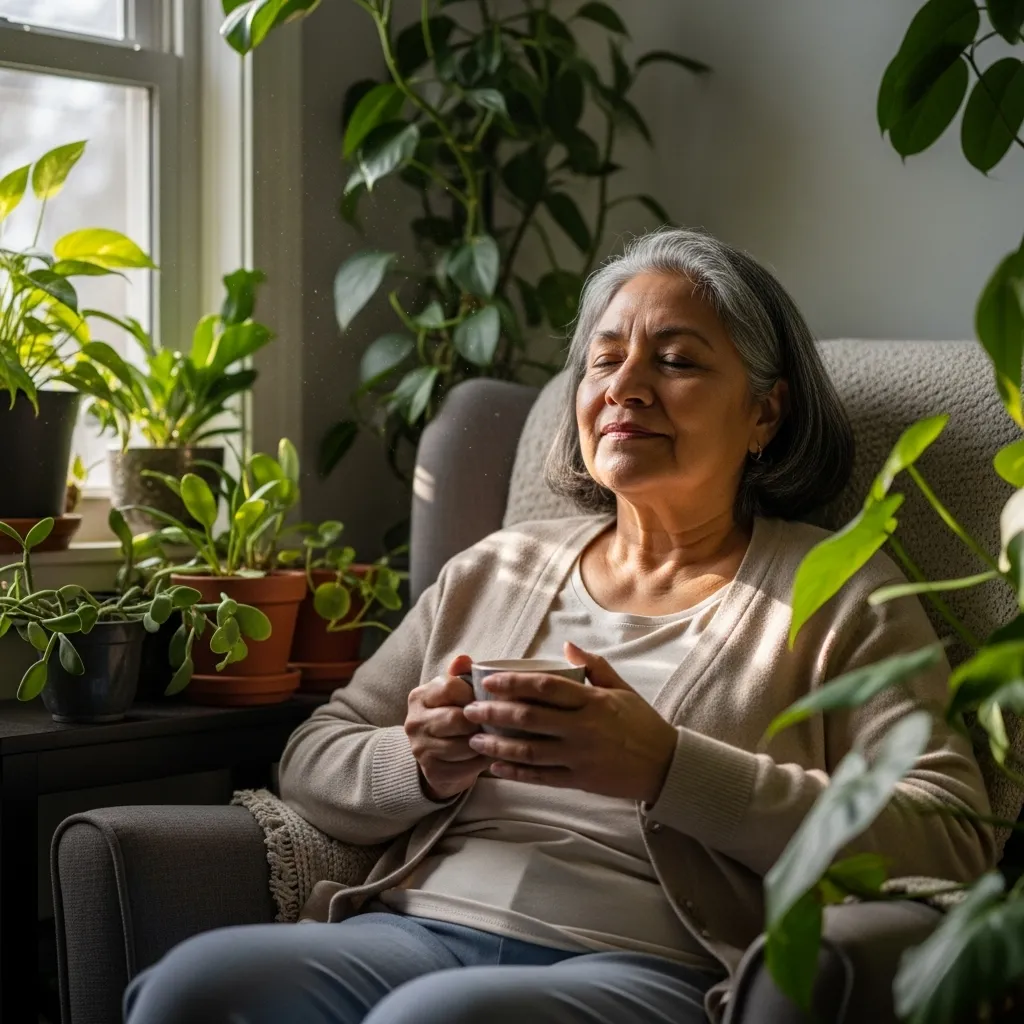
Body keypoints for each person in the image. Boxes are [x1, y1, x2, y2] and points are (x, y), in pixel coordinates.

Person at [125, 230, 994, 1024]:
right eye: (604, 360)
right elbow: (316, 753)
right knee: (190, 988)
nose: (625, 387)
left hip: (650, 963)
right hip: (413, 932)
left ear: (764, 413)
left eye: (678, 361)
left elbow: (948, 836)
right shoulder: (498, 567)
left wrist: (667, 767)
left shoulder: (835, 590)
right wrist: (419, 762)